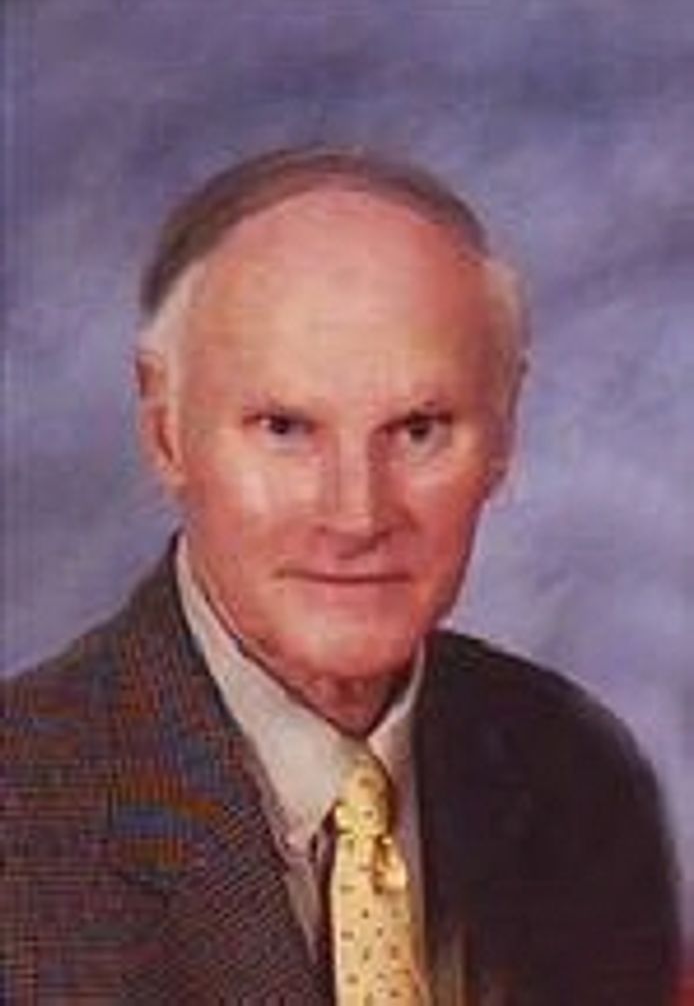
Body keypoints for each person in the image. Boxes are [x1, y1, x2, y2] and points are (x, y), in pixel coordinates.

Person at [3, 147, 680, 1005]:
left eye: (420, 429)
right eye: (285, 428)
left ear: (504, 432)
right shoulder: (21, 822)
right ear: (165, 429)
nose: (357, 515)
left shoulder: (577, 770)